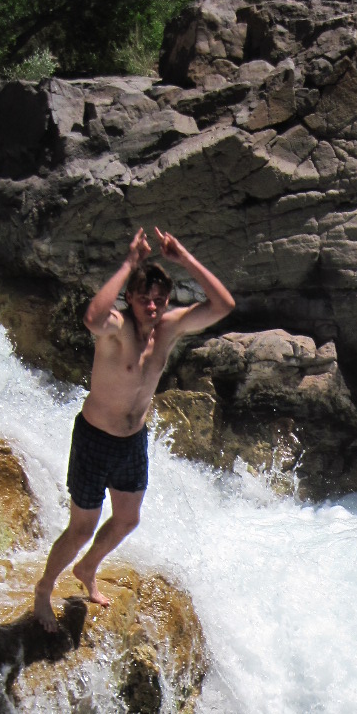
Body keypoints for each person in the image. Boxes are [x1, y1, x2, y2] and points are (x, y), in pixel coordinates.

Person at [33, 226, 235, 631]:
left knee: (127, 519)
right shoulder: (115, 329)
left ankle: (88, 569)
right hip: (94, 439)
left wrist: (185, 258)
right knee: (81, 527)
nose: (153, 306)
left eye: (159, 299)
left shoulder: (170, 328)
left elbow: (224, 304)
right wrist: (129, 262)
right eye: (145, 299)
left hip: (132, 443)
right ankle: (42, 591)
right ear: (131, 299)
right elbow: (91, 316)